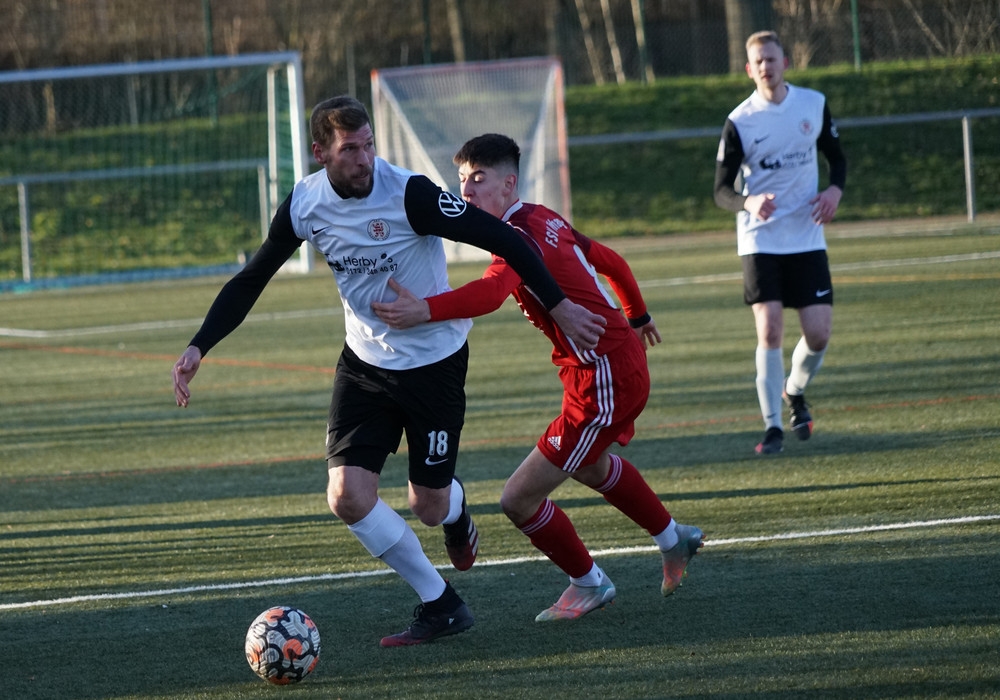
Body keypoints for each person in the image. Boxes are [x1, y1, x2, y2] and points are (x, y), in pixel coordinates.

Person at [171, 97, 607, 647]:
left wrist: (560, 306)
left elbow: (504, 239)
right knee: (346, 496)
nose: (364, 159)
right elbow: (252, 278)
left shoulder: (410, 194)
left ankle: (454, 509)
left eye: (369, 145)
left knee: (428, 505)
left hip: (434, 365)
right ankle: (442, 604)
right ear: (320, 153)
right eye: (350, 149)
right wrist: (200, 345)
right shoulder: (305, 202)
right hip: (365, 365)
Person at [372, 133, 704, 622]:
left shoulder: (519, 237)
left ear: (509, 184)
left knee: (518, 498)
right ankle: (674, 539)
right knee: (590, 467)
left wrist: (426, 309)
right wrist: (636, 314)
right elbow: (610, 261)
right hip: (609, 367)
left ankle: (589, 584)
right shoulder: (543, 217)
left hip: (603, 379)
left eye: (479, 179)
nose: (466, 191)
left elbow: (491, 292)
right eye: (462, 179)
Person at [713, 30, 847, 456]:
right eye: (758, 62)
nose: (766, 67)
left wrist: (834, 191)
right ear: (749, 69)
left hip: (806, 235)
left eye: (772, 59)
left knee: (819, 334)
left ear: (785, 63)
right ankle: (772, 427)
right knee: (769, 328)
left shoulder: (813, 104)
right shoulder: (740, 121)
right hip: (760, 239)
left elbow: (837, 159)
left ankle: (795, 389)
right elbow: (721, 191)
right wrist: (748, 201)